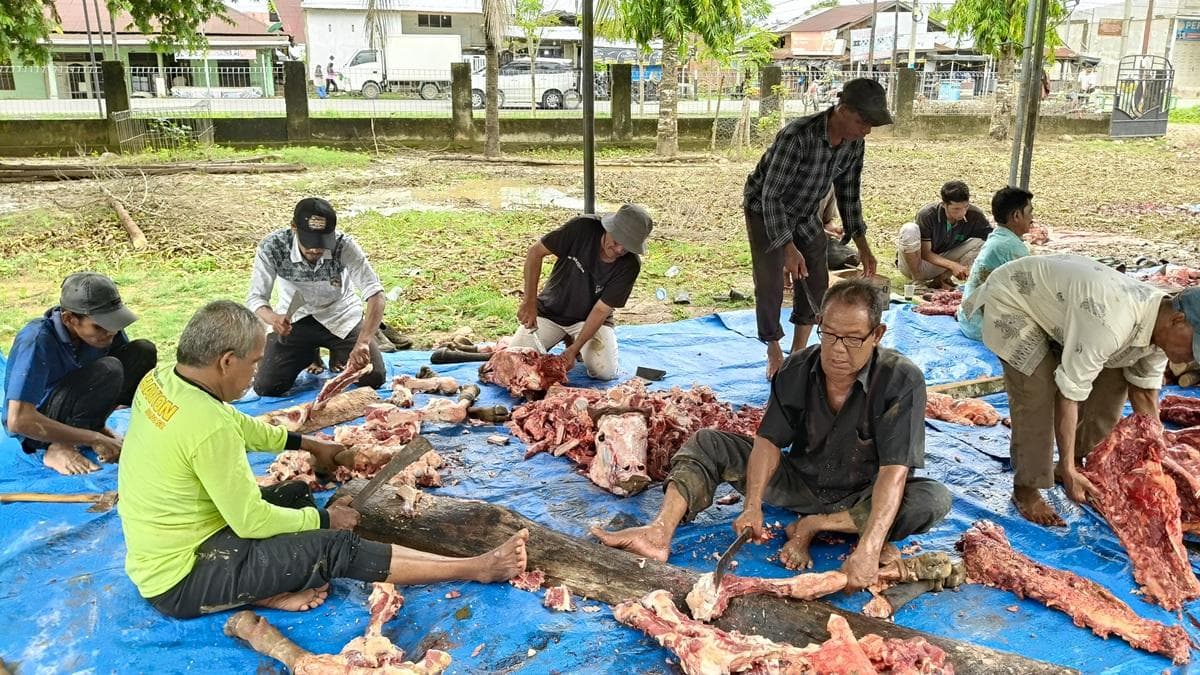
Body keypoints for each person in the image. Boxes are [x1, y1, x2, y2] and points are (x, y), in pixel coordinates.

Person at [117, 301, 529, 618]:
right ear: (226, 360)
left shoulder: (163, 381)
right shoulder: (206, 426)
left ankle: (264, 587)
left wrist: (314, 446)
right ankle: (475, 567)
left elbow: (242, 428)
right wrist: (325, 522)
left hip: (180, 542)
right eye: (254, 363)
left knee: (296, 492)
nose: (254, 374)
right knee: (334, 549)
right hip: (181, 579)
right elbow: (250, 522)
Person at [593, 280, 951, 591]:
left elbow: (894, 471)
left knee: (931, 499)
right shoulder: (798, 368)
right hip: (800, 482)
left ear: (877, 335)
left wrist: (869, 548)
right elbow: (768, 441)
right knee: (708, 442)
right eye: (829, 335)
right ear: (819, 326)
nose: (838, 350)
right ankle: (659, 532)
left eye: (854, 339)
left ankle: (817, 525)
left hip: (863, 496)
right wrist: (752, 505)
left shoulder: (901, 379)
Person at [960, 255, 1200, 526]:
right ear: (1178, 320)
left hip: (1069, 309)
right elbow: (1069, 395)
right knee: (1037, 391)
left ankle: (1078, 459)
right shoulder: (1112, 323)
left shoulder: (1160, 330)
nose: (1191, 357)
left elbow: (1144, 393)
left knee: (1115, 380)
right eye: (1194, 346)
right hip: (1015, 298)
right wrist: (1066, 465)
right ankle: (1027, 487)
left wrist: (1160, 455)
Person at [743, 78, 885, 379]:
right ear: (842, 110)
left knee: (816, 277)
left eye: (871, 124)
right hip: (765, 208)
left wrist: (862, 243)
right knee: (769, 281)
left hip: (806, 210)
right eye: (862, 121)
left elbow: (849, 193)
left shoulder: (854, 144)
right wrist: (787, 247)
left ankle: (799, 352)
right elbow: (771, 196)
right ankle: (773, 350)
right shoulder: (798, 136)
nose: (866, 130)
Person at [3, 272, 157, 475]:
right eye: (99, 326)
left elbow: (124, 376)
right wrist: (93, 438)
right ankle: (58, 446)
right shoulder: (37, 340)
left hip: (78, 402)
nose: (110, 332)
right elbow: (18, 420)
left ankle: (94, 426)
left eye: (113, 323)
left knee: (142, 351)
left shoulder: (107, 332)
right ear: (69, 319)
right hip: (40, 423)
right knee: (108, 369)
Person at [247, 197, 387, 396]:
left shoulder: (344, 244)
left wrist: (363, 341)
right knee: (267, 387)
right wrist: (273, 319)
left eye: (322, 243)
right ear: (294, 228)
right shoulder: (272, 247)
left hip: (340, 316)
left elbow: (375, 294)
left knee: (374, 377)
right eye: (309, 243)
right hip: (295, 320)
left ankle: (338, 352)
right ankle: (306, 354)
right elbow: (256, 298)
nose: (315, 249)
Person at [509, 204, 652, 381]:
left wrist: (574, 349)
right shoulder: (581, 229)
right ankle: (563, 335)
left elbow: (601, 310)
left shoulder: (630, 265)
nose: (619, 250)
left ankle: (572, 339)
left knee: (604, 372)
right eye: (616, 242)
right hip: (551, 311)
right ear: (608, 229)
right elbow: (535, 253)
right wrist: (529, 301)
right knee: (514, 364)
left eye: (627, 248)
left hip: (587, 320)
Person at [956, 187, 1034, 341]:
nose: (1032, 218)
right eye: (1030, 212)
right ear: (1017, 215)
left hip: (969, 319)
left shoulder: (999, 237)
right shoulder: (1011, 246)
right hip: (981, 327)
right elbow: (1031, 294)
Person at [895, 180, 992, 287]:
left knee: (984, 241)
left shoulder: (975, 215)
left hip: (941, 264)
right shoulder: (927, 215)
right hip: (916, 263)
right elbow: (925, 253)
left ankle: (943, 279)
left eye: (966, 207)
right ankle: (918, 281)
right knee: (909, 229)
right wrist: (953, 265)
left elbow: (993, 240)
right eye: (956, 209)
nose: (962, 213)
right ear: (944, 205)